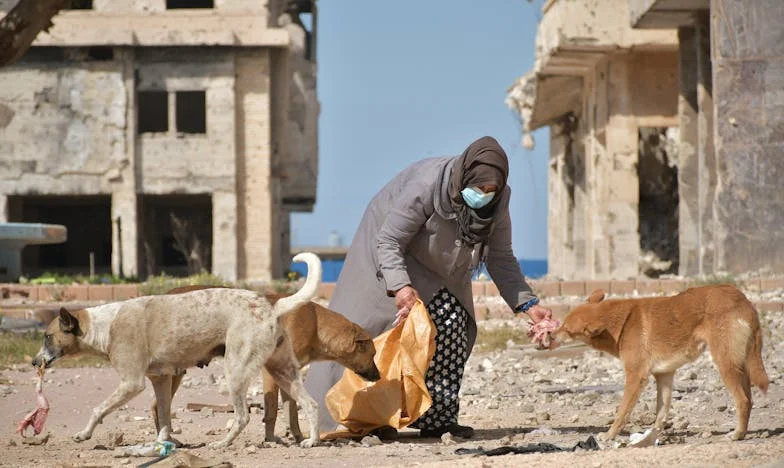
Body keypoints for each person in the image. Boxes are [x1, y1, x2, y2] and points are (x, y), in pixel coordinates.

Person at [305, 136, 553, 438]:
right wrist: (401, 287)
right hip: (389, 251)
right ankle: (359, 419)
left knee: (451, 327)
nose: (484, 195)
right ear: (464, 176)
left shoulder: (499, 200)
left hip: (446, 262)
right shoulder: (426, 186)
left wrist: (528, 305)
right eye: (479, 188)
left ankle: (438, 419)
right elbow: (390, 240)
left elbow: (500, 258)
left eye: (491, 190)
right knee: (369, 334)